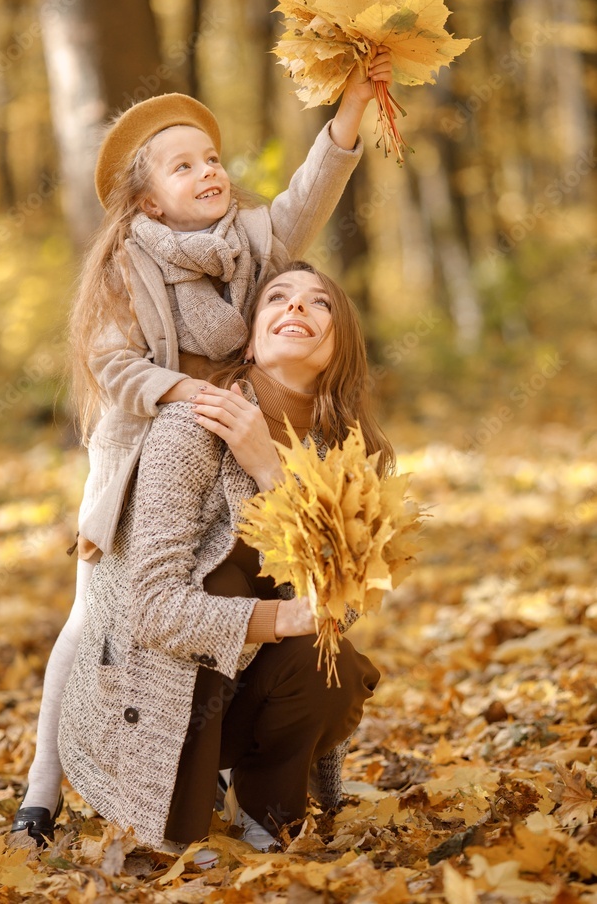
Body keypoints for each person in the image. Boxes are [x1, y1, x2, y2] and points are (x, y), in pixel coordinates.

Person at [11, 49, 393, 844]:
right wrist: (188, 395)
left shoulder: (251, 243)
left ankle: (240, 757)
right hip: (143, 449)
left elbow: (308, 195)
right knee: (94, 611)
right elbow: (114, 367)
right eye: (182, 166)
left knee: (243, 573)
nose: (207, 172)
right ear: (148, 199)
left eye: (212, 159)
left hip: (234, 434)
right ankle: (43, 784)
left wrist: (351, 110)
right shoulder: (128, 264)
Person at [57, 261, 394, 861]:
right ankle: (180, 809)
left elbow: (337, 612)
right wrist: (278, 619)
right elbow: (150, 609)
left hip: (243, 700)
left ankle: (265, 811)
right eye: (278, 298)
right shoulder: (192, 424)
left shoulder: (347, 456)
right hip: (146, 698)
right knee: (224, 579)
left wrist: (269, 468)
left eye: (319, 302)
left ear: (340, 344)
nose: (297, 307)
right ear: (251, 342)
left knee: (335, 666)